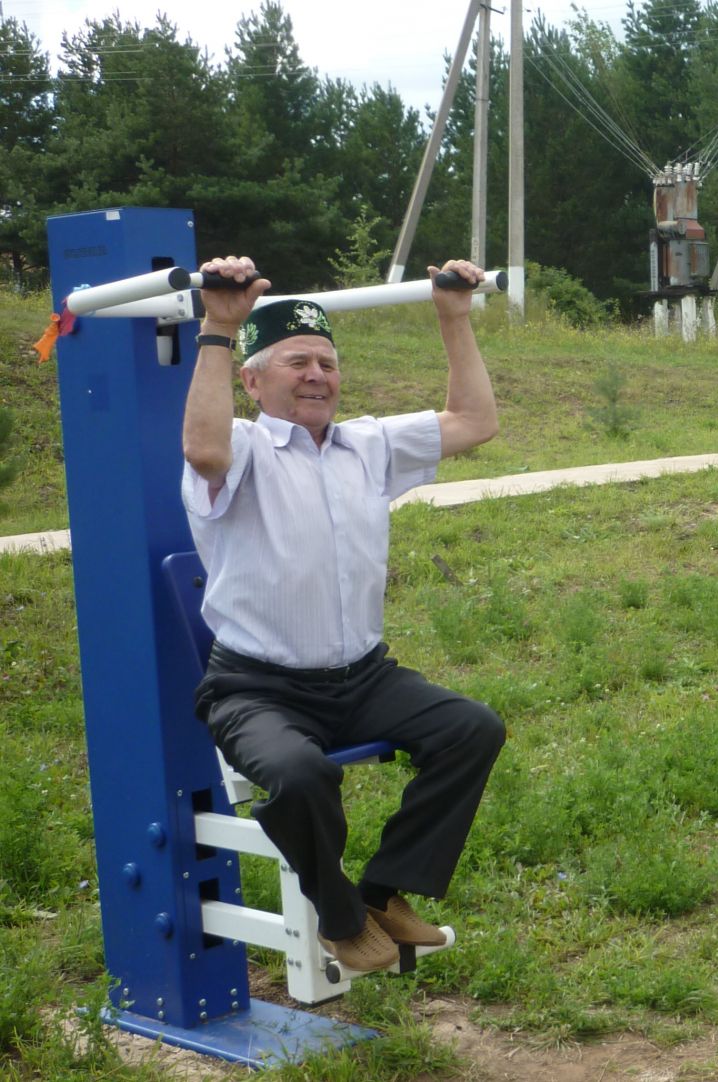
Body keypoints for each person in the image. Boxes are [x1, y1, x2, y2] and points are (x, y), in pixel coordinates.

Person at [181, 255, 506, 975]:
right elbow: (201, 447)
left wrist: (453, 317)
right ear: (253, 380)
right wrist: (217, 327)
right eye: (297, 362)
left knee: (470, 729)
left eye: (326, 362)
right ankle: (338, 913)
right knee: (299, 775)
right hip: (254, 688)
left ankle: (385, 893)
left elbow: (475, 421)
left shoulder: (369, 444)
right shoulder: (241, 448)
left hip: (362, 679)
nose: (316, 375)